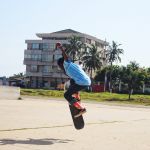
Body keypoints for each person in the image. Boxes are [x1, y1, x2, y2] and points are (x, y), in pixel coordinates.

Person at [56, 42, 91, 118]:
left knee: (66, 95)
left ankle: (81, 109)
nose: (60, 68)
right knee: (72, 81)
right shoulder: (74, 65)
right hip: (87, 81)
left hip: (82, 82)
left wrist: (61, 48)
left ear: (62, 64)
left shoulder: (66, 64)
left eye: (59, 66)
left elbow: (65, 56)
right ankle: (77, 98)